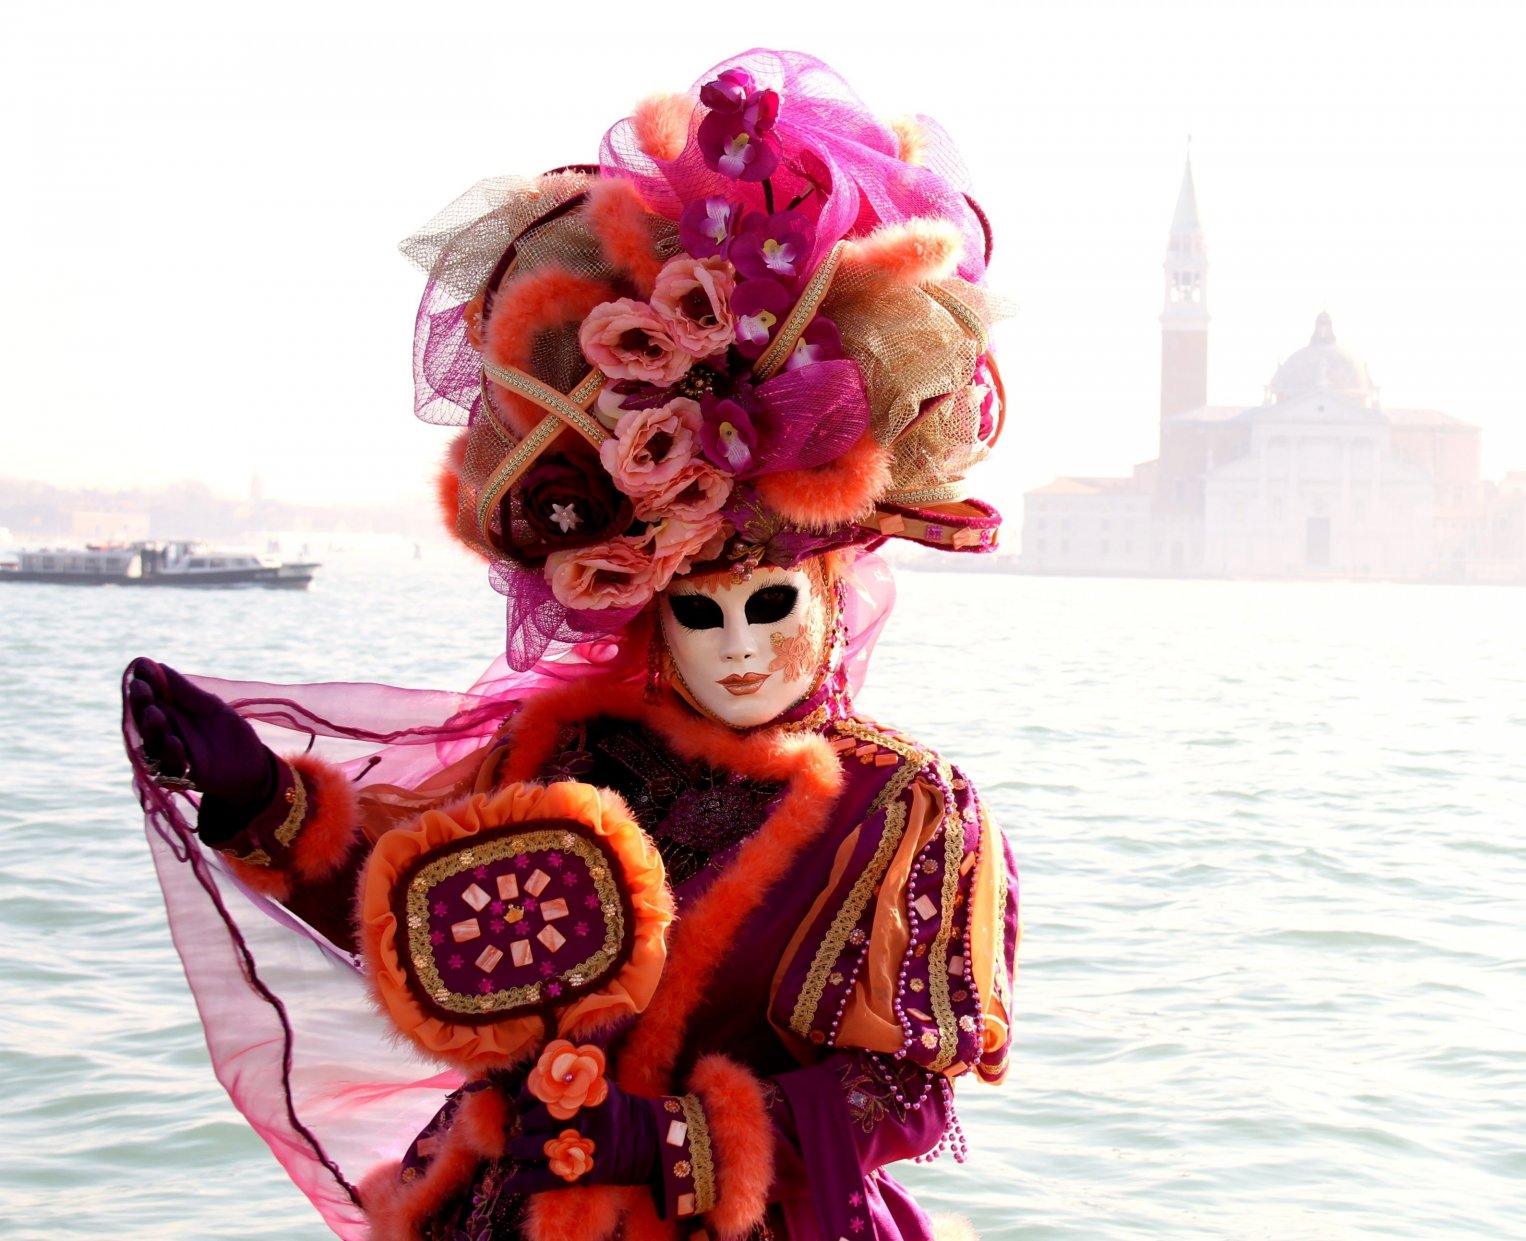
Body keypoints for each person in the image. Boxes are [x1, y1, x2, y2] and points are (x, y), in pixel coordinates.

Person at [122, 49, 1018, 1241]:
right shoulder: (574, 743)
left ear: (828, 591)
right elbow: (423, 931)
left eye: (770, 607)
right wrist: (259, 799)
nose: (741, 647)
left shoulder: (899, 806)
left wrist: (676, 1138)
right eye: (700, 612)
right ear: (649, 604)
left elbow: (908, 1087)